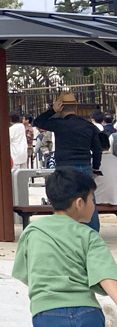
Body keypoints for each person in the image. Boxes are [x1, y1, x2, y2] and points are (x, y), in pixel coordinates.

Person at [12, 168, 117, 327]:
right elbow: (109, 281)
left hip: (51, 320)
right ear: (80, 203)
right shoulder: (89, 236)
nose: (94, 205)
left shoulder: (33, 231)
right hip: (89, 320)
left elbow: (27, 277)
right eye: (93, 200)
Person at [34, 93, 105, 232]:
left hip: (64, 167)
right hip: (84, 166)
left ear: (60, 107)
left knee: (64, 202)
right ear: (76, 107)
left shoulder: (58, 124)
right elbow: (97, 150)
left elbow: (38, 122)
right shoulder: (88, 126)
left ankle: (65, 233)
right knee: (88, 201)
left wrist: (52, 111)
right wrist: (95, 168)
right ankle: (92, 233)